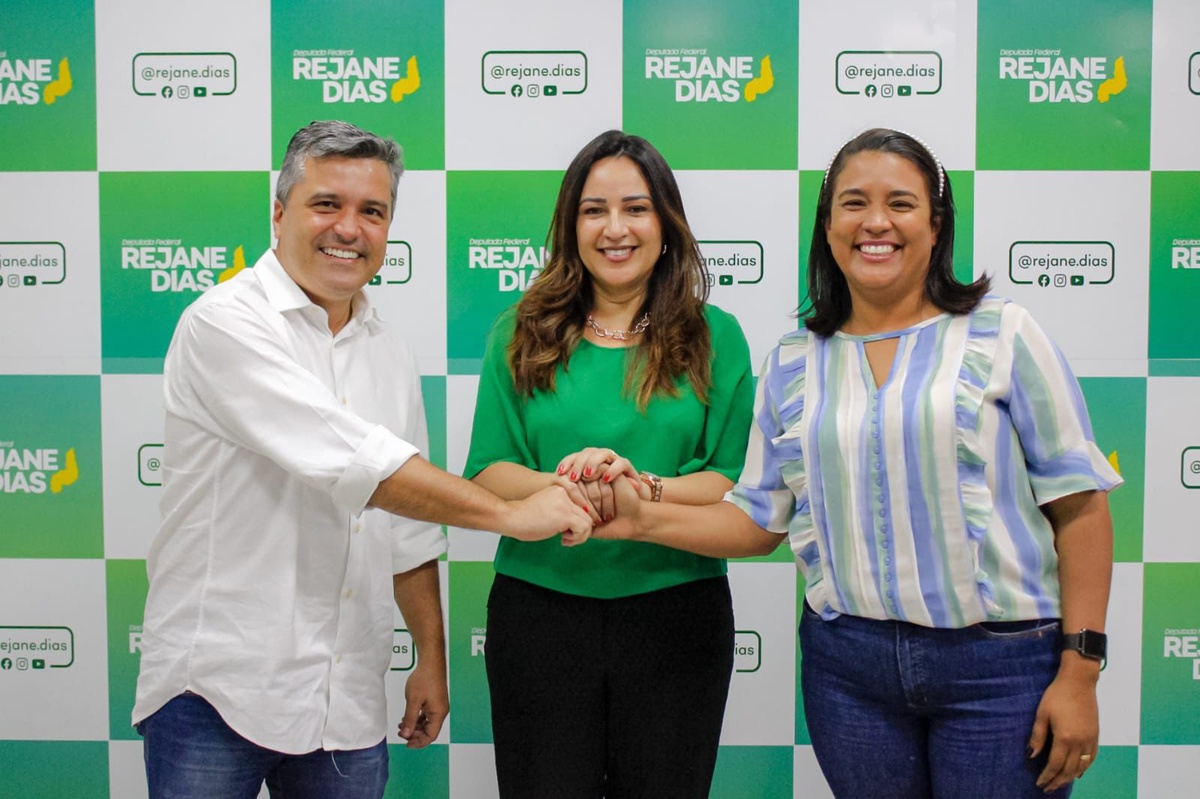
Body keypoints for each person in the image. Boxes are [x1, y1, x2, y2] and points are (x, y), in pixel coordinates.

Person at [600, 128, 1121, 798]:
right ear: (826, 227)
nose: (876, 221)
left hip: (1001, 671)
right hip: (849, 672)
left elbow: (1080, 507)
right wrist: (638, 516)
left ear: (936, 226)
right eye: (853, 203)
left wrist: (1079, 673)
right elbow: (757, 520)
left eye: (900, 203)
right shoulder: (792, 360)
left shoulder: (1005, 335)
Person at [132, 120, 592, 799]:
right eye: (327, 204)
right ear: (280, 211)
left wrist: (430, 657)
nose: (349, 227)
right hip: (217, 691)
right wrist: (513, 513)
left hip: (343, 699)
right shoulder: (223, 323)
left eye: (372, 211)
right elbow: (362, 464)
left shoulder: (388, 348)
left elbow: (406, 530)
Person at [464, 129, 755, 798]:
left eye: (637, 207)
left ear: (666, 222)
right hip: (540, 615)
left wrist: (639, 487)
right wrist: (588, 485)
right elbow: (490, 470)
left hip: (676, 611)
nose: (615, 228)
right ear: (571, 225)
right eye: (594, 209)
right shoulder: (518, 331)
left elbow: (727, 481)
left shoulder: (719, 337)